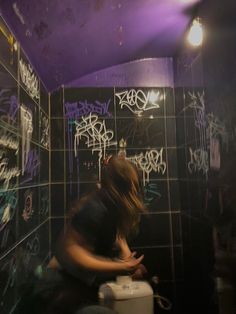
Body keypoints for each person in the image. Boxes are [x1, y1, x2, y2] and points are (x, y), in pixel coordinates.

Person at [49, 155, 147, 285]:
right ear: (122, 186)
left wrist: (130, 263)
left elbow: (119, 238)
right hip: (66, 280)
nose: (136, 189)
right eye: (133, 184)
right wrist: (121, 267)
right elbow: (70, 250)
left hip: (83, 278)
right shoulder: (95, 209)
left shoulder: (113, 205)